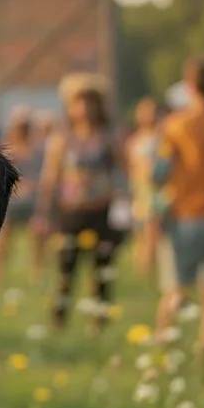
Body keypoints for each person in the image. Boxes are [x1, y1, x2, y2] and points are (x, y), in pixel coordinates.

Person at [37, 84, 122, 329]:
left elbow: (121, 171)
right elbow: (51, 176)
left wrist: (125, 201)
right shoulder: (62, 138)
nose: (84, 108)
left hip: (101, 210)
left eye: (89, 102)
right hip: (71, 211)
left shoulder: (108, 137)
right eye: (78, 103)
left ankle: (99, 320)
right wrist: (44, 212)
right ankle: (59, 319)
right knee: (66, 268)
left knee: (102, 269)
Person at [155, 58, 204, 355]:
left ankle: (162, 346)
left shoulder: (176, 125)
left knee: (177, 289)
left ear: (190, 86)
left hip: (187, 217)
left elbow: (160, 172)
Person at [0, 106, 45, 282]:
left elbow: (43, 175)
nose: (23, 130)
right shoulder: (6, 150)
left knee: (36, 240)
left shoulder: (38, 150)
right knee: (2, 241)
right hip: (11, 203)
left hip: (32, 202)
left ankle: (36, 273)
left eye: (25, 126)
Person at [125, 96, 164, 277]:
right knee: (140, 232)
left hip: (157, 190)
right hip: (140, 190)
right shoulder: (134, 140)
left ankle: (149, 268)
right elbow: (130, 166)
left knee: (153, 230)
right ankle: (142, 269)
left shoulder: (162, 137)